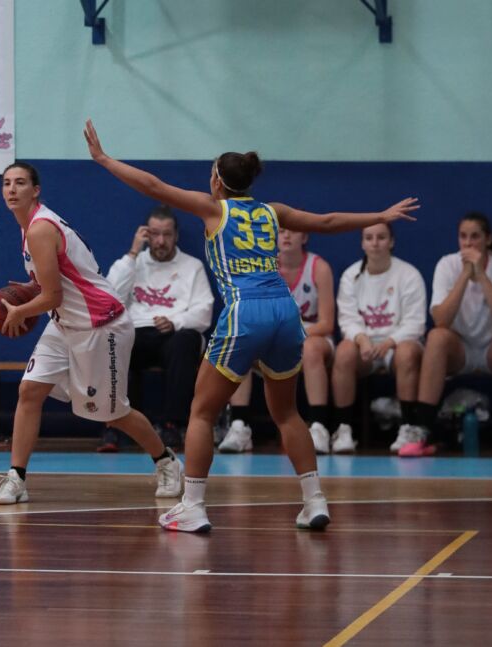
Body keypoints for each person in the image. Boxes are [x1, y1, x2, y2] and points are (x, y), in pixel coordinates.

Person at [84, 119, 418, 532]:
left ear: (216, 181)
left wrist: (103, 159)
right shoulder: (272, 211)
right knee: (287, 413)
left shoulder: (212, 209)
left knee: (202, 411)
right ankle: (314, 501)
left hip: (247, 309)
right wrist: (380, 214)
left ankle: (192, 505)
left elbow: (153, 186)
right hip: (285, 310)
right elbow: (329, 221)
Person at [0, 162, 182, 505]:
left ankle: (166, 461)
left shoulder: (39, 229)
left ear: (36, 191)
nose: (11, 189)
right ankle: (16, 477)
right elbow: (54, 285)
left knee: (112, 413)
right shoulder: (28, 227)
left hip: (101, 325)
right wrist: (32, 288)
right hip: (64, 323)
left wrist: (19, 309)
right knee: (30, 391)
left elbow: (54, 295)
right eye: (6, 183)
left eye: (20, 183)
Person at [401, 212, 492, 458]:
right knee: (437, 336)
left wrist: (480, 274)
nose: (468, 243)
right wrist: (464, 275)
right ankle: (422, 429)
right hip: (459, 350)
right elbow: (441, 319)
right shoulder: (447, 265)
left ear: (488, 239)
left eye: (475, 237)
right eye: (463, 237)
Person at [104, 204, 214, 451]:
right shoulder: (134, 263)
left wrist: (175, 322)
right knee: (114, 340)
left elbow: (204, 310)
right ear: (145, 234)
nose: (161, 241)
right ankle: (118, 426)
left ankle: (172, 426)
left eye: (167, 234)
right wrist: (133, 253)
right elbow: (109, 299)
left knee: (186, 340)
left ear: (176, 236)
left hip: (174, 335)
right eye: (154, 234)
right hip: (138, 332)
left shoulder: (191, 266)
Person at [218, 227, 336, 454]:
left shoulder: (318, 267)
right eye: (281, 231)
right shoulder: (261, 267)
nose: (287, 236)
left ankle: (319, 426)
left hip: (312, 334)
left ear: (305, 235)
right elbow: (250, 313)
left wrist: (292, 333)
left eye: (293, 231)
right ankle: (239, 425)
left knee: (311, 348)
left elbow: (327, 323)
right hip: (274, 334)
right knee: (242, 344)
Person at [332, 222, 426, 454]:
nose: (375, 243)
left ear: (391, 241)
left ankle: (407, 427)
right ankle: (343, 430)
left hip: (396, 344)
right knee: (344, 351)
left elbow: (416, 322)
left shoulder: (409, 274)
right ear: (362, 243)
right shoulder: (351, 276)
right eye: (369, 237)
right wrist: (362, 338)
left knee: (407, 353)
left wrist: (390, 341)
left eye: (381, 237)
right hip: (363, 346)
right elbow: (347, 319)